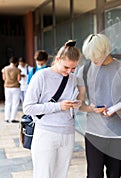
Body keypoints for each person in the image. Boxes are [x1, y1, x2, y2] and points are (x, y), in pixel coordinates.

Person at [77, 33, 121, 178]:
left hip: (118, 134)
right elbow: (80, 104)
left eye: (96, 55)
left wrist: (117, 109)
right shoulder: (84, 71)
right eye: (90, 56)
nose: (93, 60)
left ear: (107, 50)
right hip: (93, 134)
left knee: (115, 175)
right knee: (94, 175)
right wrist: (90, 108)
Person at [23, 40, 81, 178]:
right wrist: (58, 106)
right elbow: (28, 108)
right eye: (66, 67)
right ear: (57, 60)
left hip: (68, 133)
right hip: (45, 133)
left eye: (73, 68)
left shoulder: (73, 79)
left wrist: (75, 105)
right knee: (43, 174)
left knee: (61, 174)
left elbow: (70, 107)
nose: (69, 72)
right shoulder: (41, 76)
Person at [1, 57, 21, 123]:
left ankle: (6, 118)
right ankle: (13, 118)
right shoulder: (17, 69)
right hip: (16, 87)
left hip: (7, 87)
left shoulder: (5, 69)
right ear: (16, 62)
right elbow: (19, 79)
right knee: (15, 103)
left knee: (8, 102)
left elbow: (4, 78)